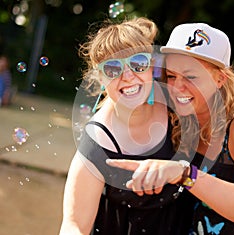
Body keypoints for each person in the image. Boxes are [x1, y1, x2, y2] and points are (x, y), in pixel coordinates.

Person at [107, 23, 234, 234]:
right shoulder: (177, 109)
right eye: (171, 76)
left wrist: (185, 174)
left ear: (220, 79)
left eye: (191, 77)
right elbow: (117, 96)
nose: (177, 87)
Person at [59, 17, 194, 235]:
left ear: (152, 67)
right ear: (100, 78)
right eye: (113, 69)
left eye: (138, 63)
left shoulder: (176, 108)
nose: (128, 76)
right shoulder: (98, 141)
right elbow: (74, 224)